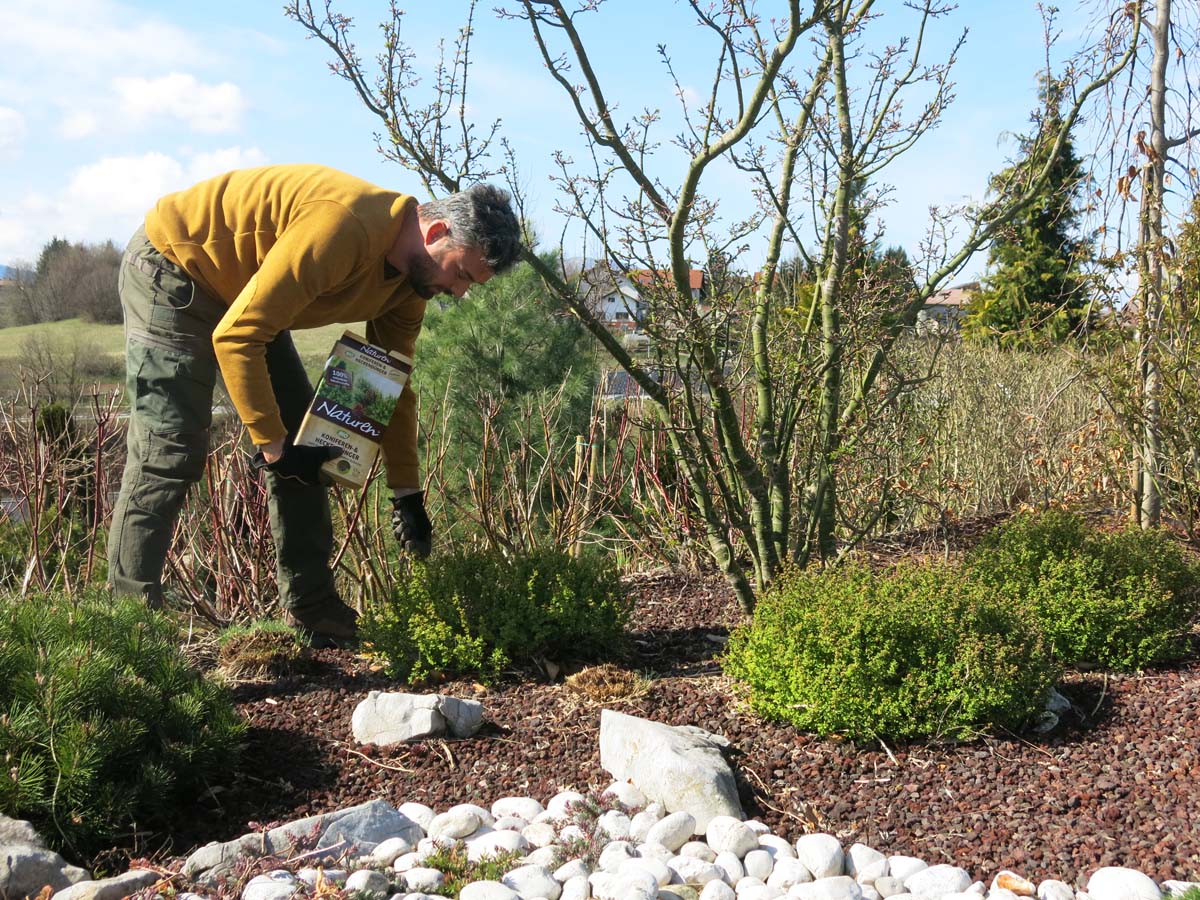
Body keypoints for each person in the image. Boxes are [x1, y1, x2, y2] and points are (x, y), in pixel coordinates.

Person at [106, 163, 522, 646]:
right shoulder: (344, 227)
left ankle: (313, 607)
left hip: (245, 294)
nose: (459, 291)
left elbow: (385, 383)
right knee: (170, 450)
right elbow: (238, 337)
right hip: (175, 269)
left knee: (312, 445)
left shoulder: (412, 283)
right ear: (435, 232)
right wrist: (274, 447)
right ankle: (131, 629)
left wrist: (406, 492)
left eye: (471, 284)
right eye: (462, 274)